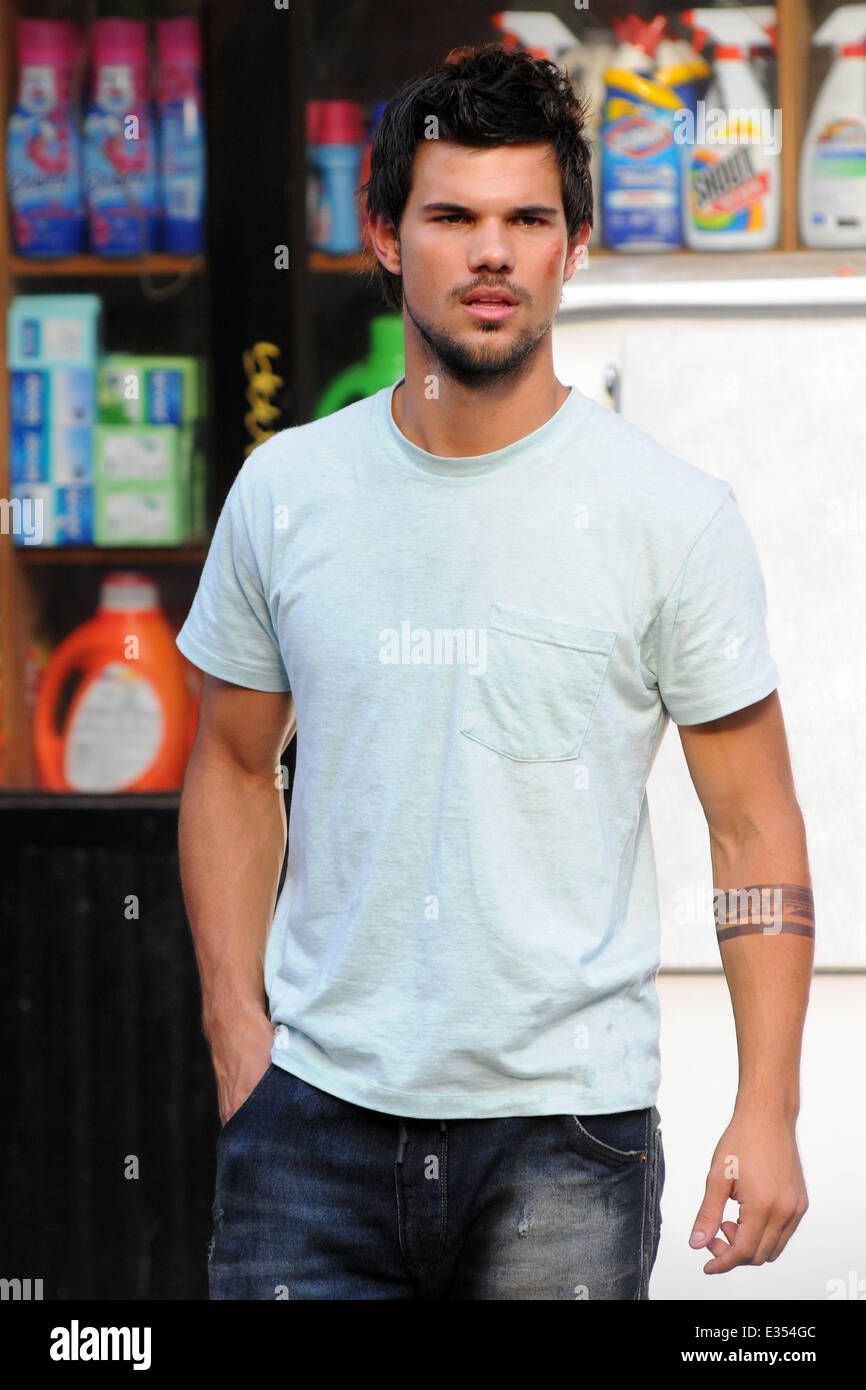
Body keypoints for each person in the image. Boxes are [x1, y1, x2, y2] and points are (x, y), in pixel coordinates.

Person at [176, 43, 814, 1301]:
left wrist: (767, 1106)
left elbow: (753, 826)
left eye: (527, 219)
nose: (491, 253)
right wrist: (237, 1034)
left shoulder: (668, 516)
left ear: (573, 246)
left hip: (565, 1140)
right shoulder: (287, 492)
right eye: (451, 217)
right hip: (312, 1125)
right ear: (382, 233)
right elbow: (234, 767)